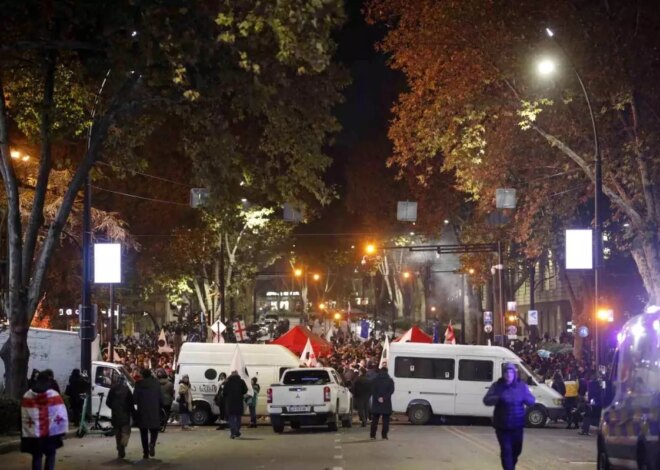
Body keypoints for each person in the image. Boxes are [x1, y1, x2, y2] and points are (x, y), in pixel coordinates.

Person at [483, 362, 536, 470]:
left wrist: (528, 398)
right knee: (506, 450)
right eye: (506, 372)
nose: (508, 374)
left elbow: (531, 401)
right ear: (503, 374)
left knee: (516, 451)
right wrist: (498, 398)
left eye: (511, 372)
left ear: (515, 373)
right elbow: (486, 400)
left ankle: (511, 465)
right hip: (503, 427)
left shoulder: (521, 386)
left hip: (517, 426)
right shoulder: (497, 386)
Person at [21, 371, 69, 470]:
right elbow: (61, 413)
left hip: (34, 433)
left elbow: (22, 415)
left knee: (37, 456)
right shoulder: (54, 395)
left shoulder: (27, 395)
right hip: (51, 433)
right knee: (51, 455)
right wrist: (62, 430)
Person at [133, 368, 163, 459]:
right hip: (154, 410)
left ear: (143, 375)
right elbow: (160, 397)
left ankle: (145, 452)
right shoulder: (156, 383)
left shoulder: (138, 384)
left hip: (142, 411)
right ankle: (152, 444)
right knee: (154, 430)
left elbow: (135, 399)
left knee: (143, 432)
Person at [106, 374, 134, 459]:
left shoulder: (112, 389)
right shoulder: (127, 389)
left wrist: (114, 408)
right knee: (126, 432)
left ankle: (119, 448)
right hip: (125, 414)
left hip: (115, 415)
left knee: (117, 433)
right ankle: (122, 445)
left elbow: (108, 402)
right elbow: (131, 402)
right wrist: (132, 412)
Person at [370, 366, 394, 440]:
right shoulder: (390, 380)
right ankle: (384, 435)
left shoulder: (375, 380)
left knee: (375, 420)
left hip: (376, 402)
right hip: (386, 402)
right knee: (386, 420)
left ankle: (373, 435)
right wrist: (384, 398)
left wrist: (378, 398)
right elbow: (391, 391)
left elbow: (373, 390)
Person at [223, 371, 248, 439]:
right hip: (239, 402)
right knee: (238, 418)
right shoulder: (241, 381)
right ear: (238, 375)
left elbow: (224, 392)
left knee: (231, 418)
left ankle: (233, 432)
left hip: (230, 403)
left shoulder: (227, 382)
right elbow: (245, 390)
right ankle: (236, 431)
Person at [579, 371, 603, 436]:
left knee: (588, 415)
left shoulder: (591, 383)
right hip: (593, 402)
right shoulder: (595, 384)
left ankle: (584, 430)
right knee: (589, 415)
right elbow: (595, 393)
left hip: (591, 401)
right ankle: (585, 430)